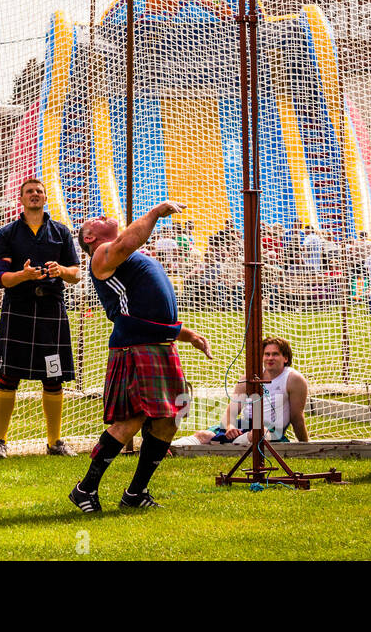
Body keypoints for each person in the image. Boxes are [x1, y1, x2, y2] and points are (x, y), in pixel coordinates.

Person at [69, 201, 212, 512]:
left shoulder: (126, 256)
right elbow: (127, 241)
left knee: (168, 420)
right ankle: (85, 489)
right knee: (130, 420)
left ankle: (135, 493)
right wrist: (155, 213)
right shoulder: (103, 256)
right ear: (90, 237)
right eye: (95, 219)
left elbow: (146, 307)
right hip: (135, 348)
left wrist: (186, 335)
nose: (102, 214)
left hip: (159, 344)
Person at [0, 177, 81, 457]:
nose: (34, 195)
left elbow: (76, 273)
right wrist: (24, 275)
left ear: (44, 198)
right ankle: (0, 441)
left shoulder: (61, 232)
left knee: (53, 378)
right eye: (29, 191)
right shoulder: (7, 234)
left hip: (51, 309)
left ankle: (55, 442)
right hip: (18, 308)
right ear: (21, 199)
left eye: (39, 192)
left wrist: (60, 271)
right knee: (8, 376)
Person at [178, 336, 309, 446]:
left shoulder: (293, 379)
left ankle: (227, 445)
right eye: (267, 354)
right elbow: (231, 412)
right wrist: (230, 427)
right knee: (203, 435)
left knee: (259, 433)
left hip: (271, 430)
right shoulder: (248, 378)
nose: (270, 358)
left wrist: (305, 444)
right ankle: (169, 448)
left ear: (285, 358)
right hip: (245, 425)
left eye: (275, 354)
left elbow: (296, 417)